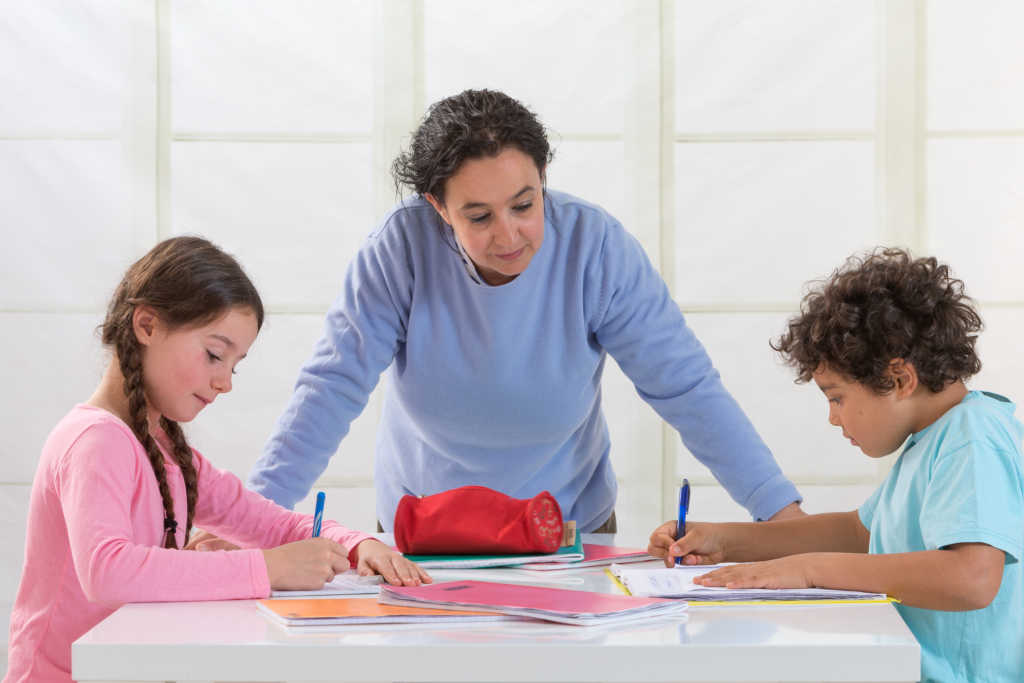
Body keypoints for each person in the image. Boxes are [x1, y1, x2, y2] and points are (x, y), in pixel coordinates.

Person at [243, 88, 803, 534]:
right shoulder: (399, 250)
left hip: (569, 526)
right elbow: (332, 386)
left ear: (543, 182)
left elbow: (685, 387)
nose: (509, 235)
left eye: (525, 204)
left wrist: (778, 513)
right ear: (438, 207)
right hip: (427, 529)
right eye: (479, 216)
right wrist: (254, 517)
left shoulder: (595, 247)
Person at [4, 237, 429, 683]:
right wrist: (268, 567)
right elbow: (107, 570)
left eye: (234, 365)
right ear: (146, 325)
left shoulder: (168, 451)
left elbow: (276, 524)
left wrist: (361, 545)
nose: (225, 382)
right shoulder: (94, 440)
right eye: (213, 355)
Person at [648, 248, 1023, 683]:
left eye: (836, 397)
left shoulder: (972, 437)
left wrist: (810, 570)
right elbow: (860, 533)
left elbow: (972, 578)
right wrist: (724, 539)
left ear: (899, 379)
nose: (833, 418)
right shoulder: (933, 440)